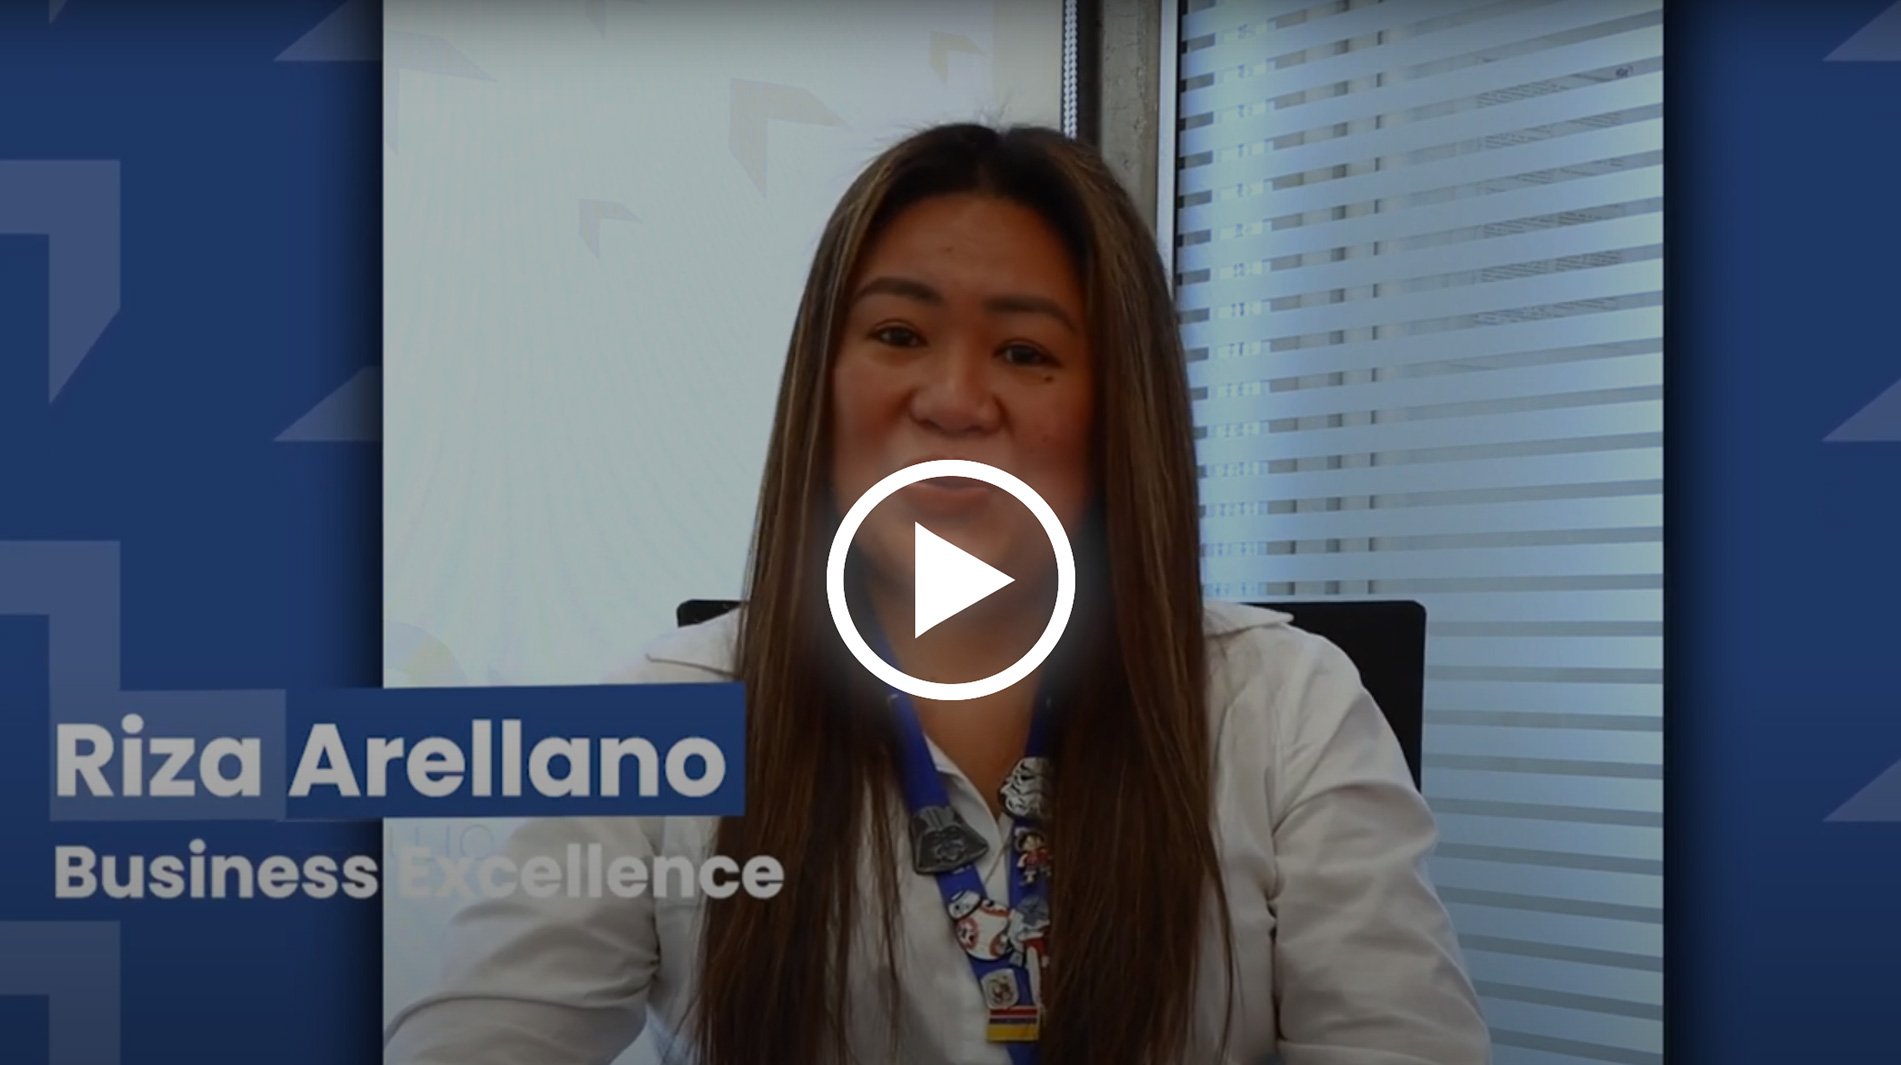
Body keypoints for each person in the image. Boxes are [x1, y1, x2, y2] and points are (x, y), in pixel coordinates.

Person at [383, 123, 1491, 1065]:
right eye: (898, 335)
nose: (955, 401)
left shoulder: (1285, 708)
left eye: (1025, 352)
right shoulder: (659, 719)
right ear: (821, 387)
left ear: (1118, 412)